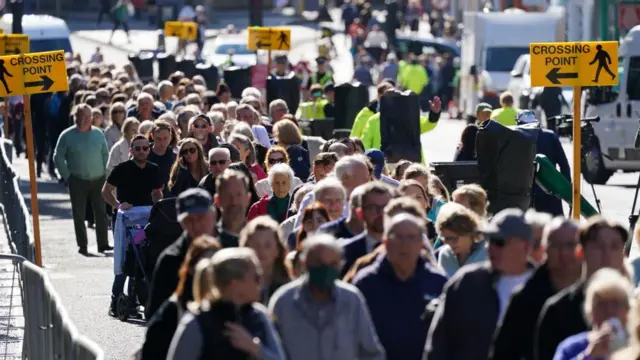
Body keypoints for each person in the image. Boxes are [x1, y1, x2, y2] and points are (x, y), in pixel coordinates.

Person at [425, 208, 535, 360]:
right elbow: (438, 345)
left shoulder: (544, 287)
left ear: (526, 246)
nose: (491, 248)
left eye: (499, 242)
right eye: (489, 240)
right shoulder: (466, 283)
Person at [268, 234, 386, 360]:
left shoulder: (352, 300)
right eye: (318, 262)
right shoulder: (284, 302)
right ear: (304, 263)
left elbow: (371, 353)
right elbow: (271, 351)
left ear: (341, 265)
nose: (325, 269)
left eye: (333, 264)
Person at [354, 213, 447, 360]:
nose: (404, 244)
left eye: (411, 237)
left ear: (421, 244)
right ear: (385, 242)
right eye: (398, 237)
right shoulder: (366, 282)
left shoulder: (438, 282)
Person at [534, 216, 629, 360]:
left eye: (614, 246)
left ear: (623, 256)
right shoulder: (557, 309)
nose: (606, 254)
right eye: (598, 246)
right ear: (580, 252)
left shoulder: (635, 311)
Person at [167, 248, 286, 360]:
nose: (261, 283)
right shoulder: (197, 323)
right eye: (256, 277)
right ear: (235, 284)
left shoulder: (259, 316)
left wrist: (254, 348)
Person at [489, 218, 582, 360]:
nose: (563, 253)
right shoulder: (524, 298)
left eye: (570, 245)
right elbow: (503, 353)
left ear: (582, 250)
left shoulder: (595, 297)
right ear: (544, 250)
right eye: (556, 245)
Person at [101, 134, 165, 316]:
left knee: (139, 257)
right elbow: (105, 192)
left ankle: (134, 298)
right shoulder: (121, 169)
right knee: (124, 257)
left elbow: (157, 193)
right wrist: (118, 205)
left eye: (145, 148)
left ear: (149, 149)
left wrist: (158, 206)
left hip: (145, 222)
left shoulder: (154, 169)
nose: (142, 151)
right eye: (137, 148)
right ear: (131, 150)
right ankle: (116, 300)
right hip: (124, 221)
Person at [140, 235, 221, 360]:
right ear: (190, 269)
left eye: (215, 267)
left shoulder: (228, 308)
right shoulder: (172, 312)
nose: (209, 272)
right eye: (204, 266)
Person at [146, 188, 217, 319]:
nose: (196, 225)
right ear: (181, 222)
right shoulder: (170, 259)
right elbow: (155, 314)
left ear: (213, 215)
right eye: (189, 220)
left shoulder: (229, 248)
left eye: (201, 218)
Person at [53, 103, 111, 255]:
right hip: (77, 179)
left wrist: (106, 174)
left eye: (87, 116)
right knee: (79, 214)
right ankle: (83, 245)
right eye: (81, 116)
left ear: (92, 118)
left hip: (98, 179)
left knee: (101, 213)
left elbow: (106, 154)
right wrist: (67, 176)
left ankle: (103, 244)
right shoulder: (67, 135)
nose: (84, 120)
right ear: (75, 117)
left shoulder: (98, 134)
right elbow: (58, 157)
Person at [553, 268, 633, 359]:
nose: (609, 310)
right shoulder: (571, 348)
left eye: (615, 303)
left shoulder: (635, 345)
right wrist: (589, 355)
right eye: (602, 304)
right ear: (590, 310)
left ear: (627, 309)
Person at [339, 182, 397, 276]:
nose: (381, 213)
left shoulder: (408, 250)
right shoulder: (345, 253)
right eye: (373, 208)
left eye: (386, 207)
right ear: (360, 213)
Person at [239, 217, 291, 304]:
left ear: (278, 249)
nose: (261, 251)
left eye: (267, 245)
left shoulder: (288, 289)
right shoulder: (236, 286)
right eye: (256, 245)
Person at [434, 202, 488, 277]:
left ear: (469, 234)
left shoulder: (487, 254)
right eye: (445, 239)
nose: (447, 244)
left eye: (452, 239)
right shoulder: (445, 254)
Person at [214, 169, 252, 248]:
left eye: (239, 195)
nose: (234, 201)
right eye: (228, 195)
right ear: (217, 200)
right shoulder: (208, 243)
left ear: (248, 198)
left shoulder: (260, 240)